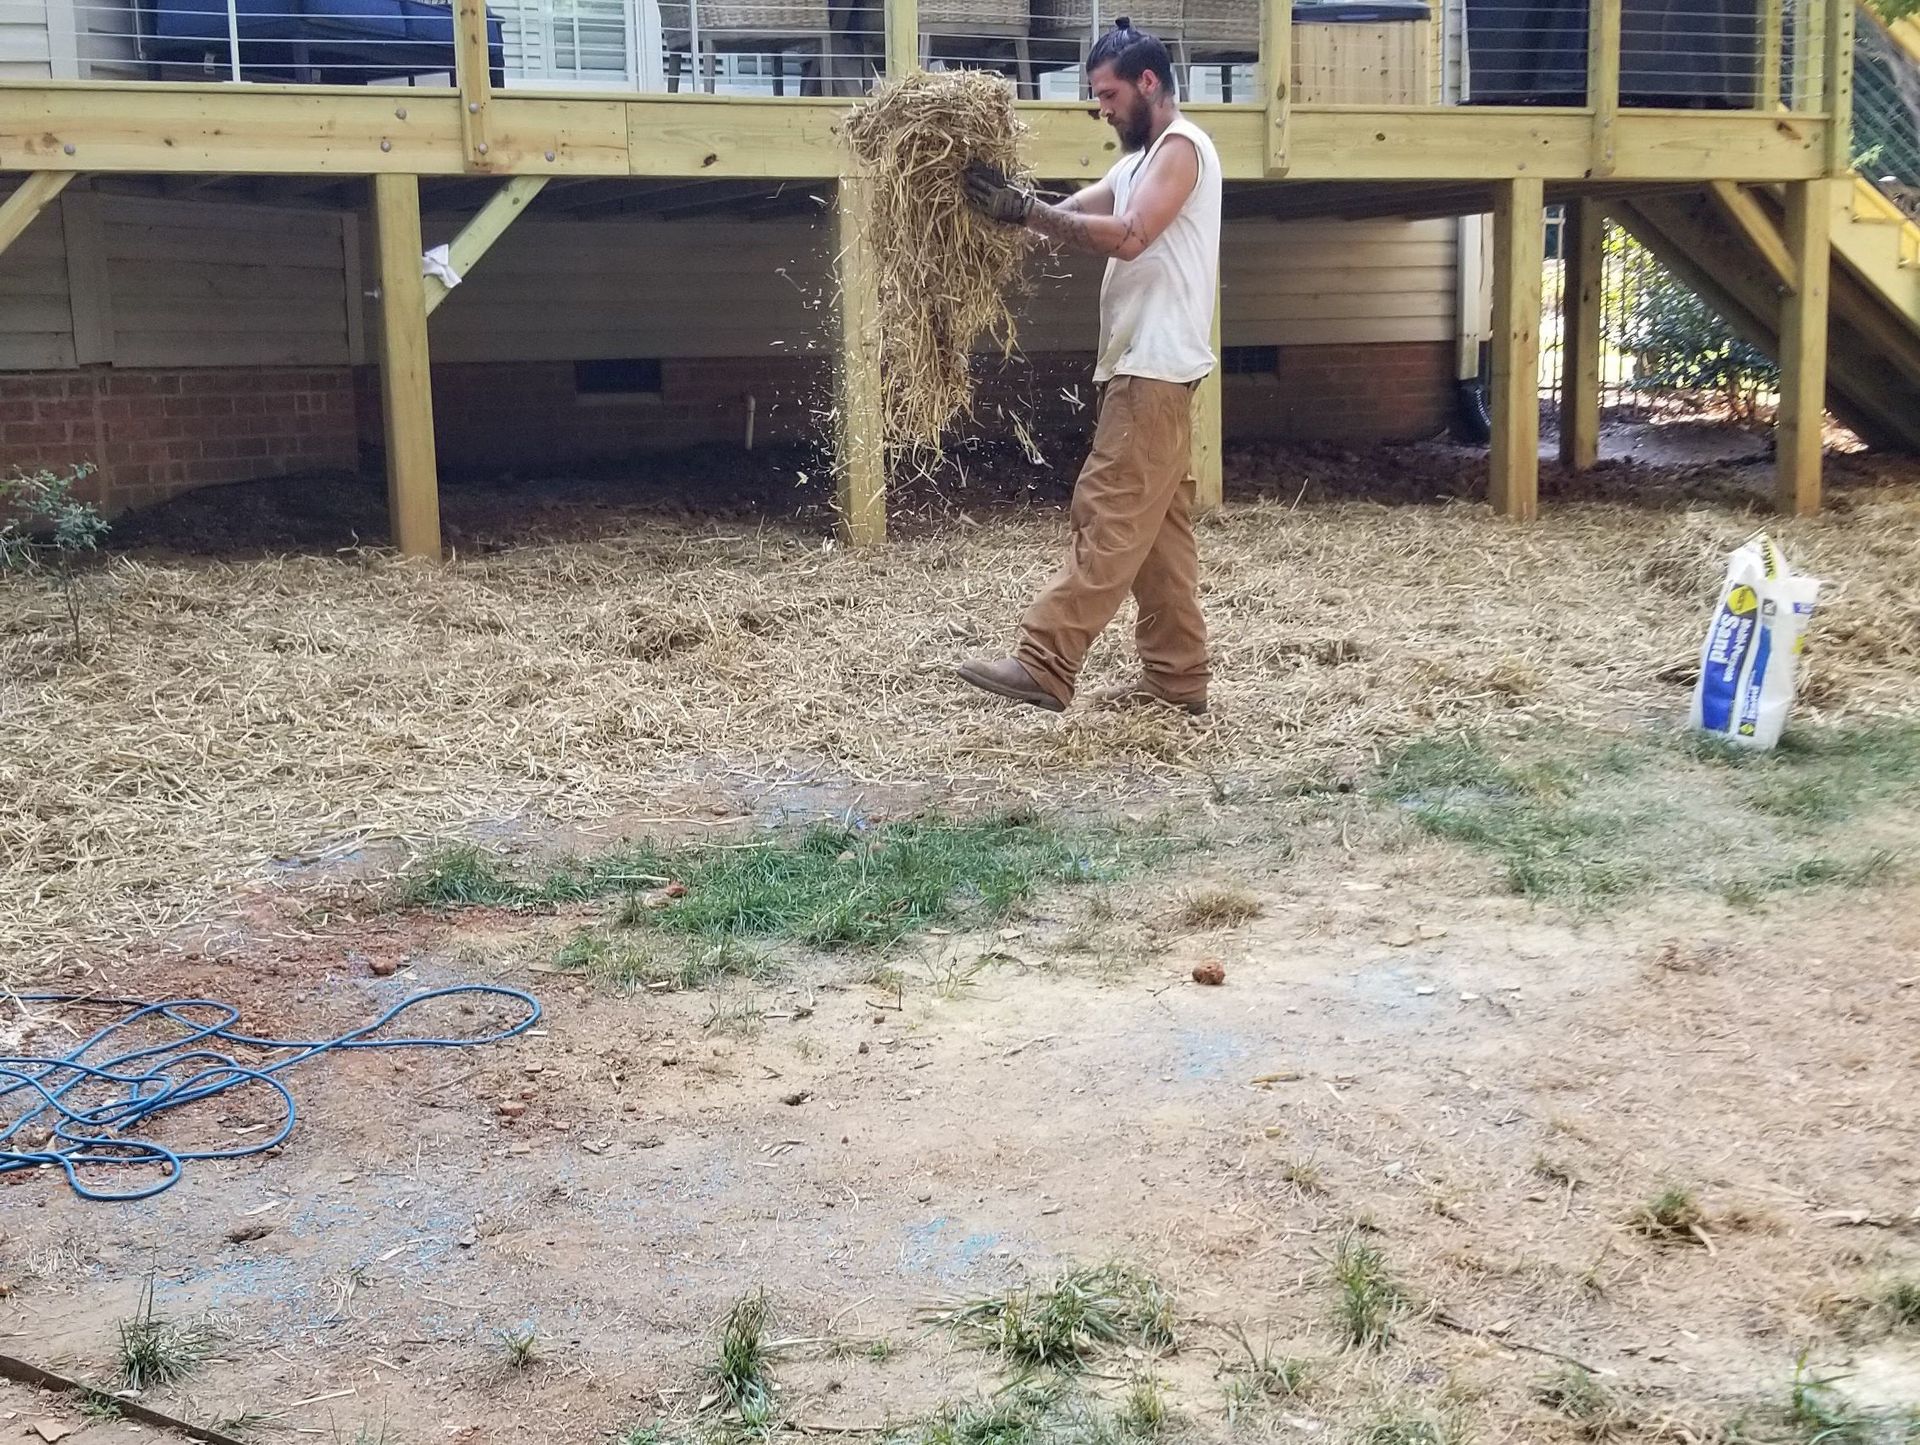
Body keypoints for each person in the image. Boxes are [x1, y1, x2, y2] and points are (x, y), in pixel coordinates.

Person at [955, 18, 1222, 717]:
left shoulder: (1181, 150)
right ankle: (1178, 678)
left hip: (1154, 371)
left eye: (1107, 95)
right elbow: (1072, 215)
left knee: (1105, 513)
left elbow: (1130, 237)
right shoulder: (1133, 165)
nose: (1101, 108)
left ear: (1148, 82)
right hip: (1144, 370)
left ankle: (1046, 660)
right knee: (1159, 539)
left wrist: (1031, 213)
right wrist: (1007, 214)